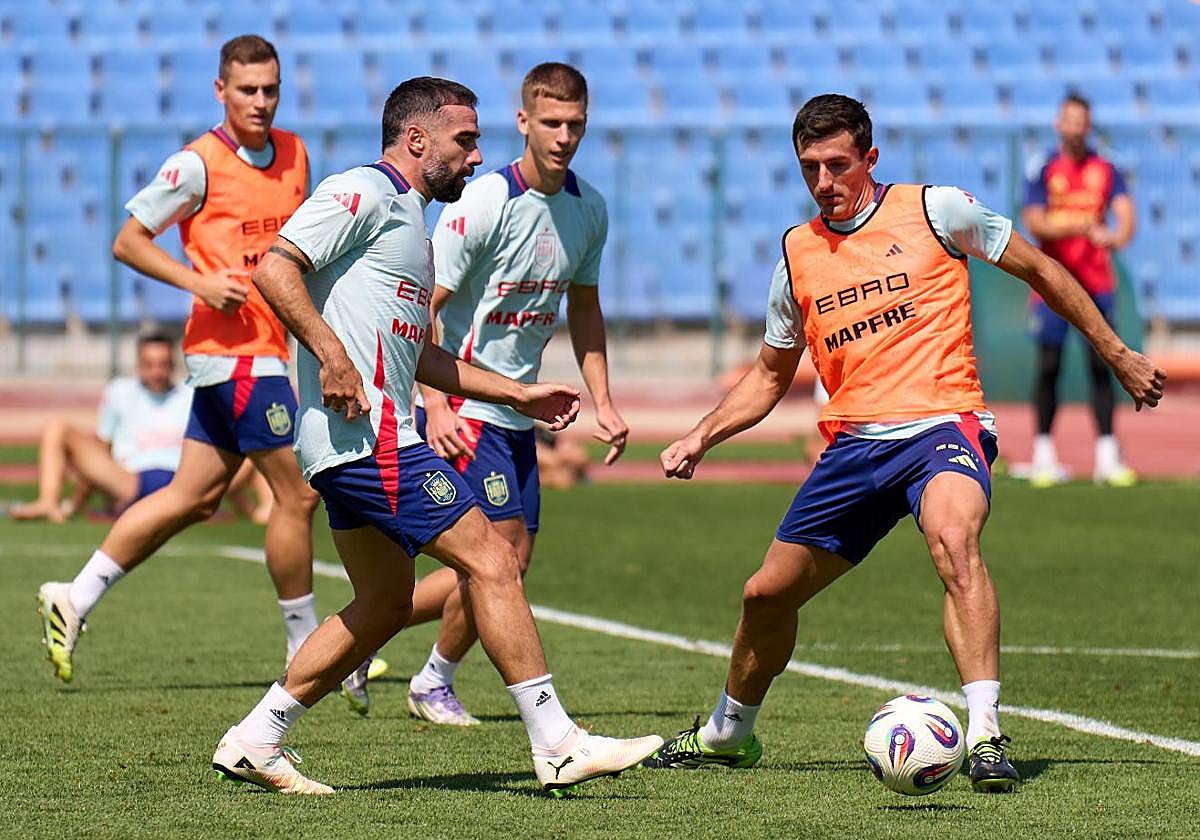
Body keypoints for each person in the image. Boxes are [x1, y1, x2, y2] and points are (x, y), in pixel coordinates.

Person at [641, 94, 1164, 793]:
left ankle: (984, 736)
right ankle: (727, 734)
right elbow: (770, 375)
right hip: (856, 446)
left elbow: (1041, 269)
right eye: (809, 169)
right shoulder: (797, 254)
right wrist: (700, 436)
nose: (823, 181)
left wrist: (1116, 352)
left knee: (954, 541)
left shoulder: (936, 210)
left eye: (837, 164)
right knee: (765, 596)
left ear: (870, 158)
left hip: (944, 424)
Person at [210, 76, 661, 795]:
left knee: (386, 603)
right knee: (494, 560)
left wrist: (519, 393)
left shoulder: (413, 225)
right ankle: (557, 741)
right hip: (374, 440)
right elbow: (274, 267)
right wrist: (330, 354)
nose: (478, 156)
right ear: (417, 140)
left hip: (356, 444)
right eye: (465, 140)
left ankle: (256, 740)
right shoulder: (362, 190)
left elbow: (417, 353)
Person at [36, 36, 322, 684]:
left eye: (269, 89)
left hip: (267, 350)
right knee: (298, 495)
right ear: (221, 91)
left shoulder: (297, 153)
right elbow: (128, 241)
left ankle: (73, 597)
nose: (260, 101)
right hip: (231, 353)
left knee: (191, 498)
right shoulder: (198, 164)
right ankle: (306, 650)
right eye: (246, 89)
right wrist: (198, 283)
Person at [399, 62, 624, 726]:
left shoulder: (589, 209)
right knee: (499, 557)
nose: (563, 136)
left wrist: (603, 400)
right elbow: (423, 304)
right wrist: (435, 403)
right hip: (465, 403)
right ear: (523, 121)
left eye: (575, 124)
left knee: (506, 562)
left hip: (517, 414)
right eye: (550, 122)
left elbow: (585, 308)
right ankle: (434, 681)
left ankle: (374, 632)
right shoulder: (484, 202)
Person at [1022, 92, 1137, 487]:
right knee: (1049, 366)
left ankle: (1107, 456)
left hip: (1096, 284)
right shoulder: (1042, 167)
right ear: (1059, 124)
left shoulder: (1107, 168)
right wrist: (1080, 226)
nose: (1074, 127)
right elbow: (1036, 222)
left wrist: (1115, 236)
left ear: (1088, 126)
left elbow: (1125, 216)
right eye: (1068, 120)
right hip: (1052, 284)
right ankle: (1042, 455)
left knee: (1102, 366)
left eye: (1081, 121)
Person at [10, 333, 191, 523]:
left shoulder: (190, 395)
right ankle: (47, 502)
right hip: (128, 481)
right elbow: (102, 450)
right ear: (138, 364)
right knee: (58, 428)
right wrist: (76, 502)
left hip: (181, 481)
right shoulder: (119, 392)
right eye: (149, 364)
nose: (156, 372)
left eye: (163, 364)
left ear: (173, 364)